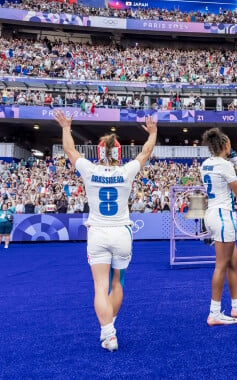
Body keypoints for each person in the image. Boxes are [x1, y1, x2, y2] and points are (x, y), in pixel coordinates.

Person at [54, 109, 157, 352]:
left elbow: (69, 150)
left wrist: (66, 128)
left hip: (98, 232)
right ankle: (109, 324)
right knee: (117, 283)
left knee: (100, 286)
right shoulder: (125, 171)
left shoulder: (90, 170)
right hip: (121, 231)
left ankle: (108, 333)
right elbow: (146, 152)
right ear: (118, 153)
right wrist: (152, 132)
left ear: (99, 153)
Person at [200, 128, 237, 327]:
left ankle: (236, 305)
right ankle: (214, 312)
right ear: (225, 145)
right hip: (223, 216)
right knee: (221, 265)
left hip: (213, 213)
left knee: (234, 261)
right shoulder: (224, 166)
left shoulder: (206, 164)